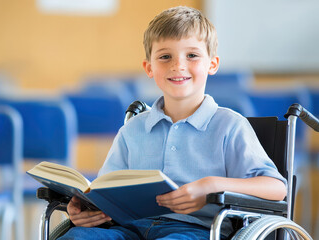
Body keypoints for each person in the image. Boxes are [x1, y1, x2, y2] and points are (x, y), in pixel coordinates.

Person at [59, 6, 287, 240]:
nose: (178, 66)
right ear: (149, 67)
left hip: (197, 230)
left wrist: (211, 185)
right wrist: (84, 210)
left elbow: (277, 188)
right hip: (129, 229)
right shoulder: (132, 130)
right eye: (165, 56)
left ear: (212, 64)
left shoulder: (230, 125)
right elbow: (104, 193)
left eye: (192, 55)